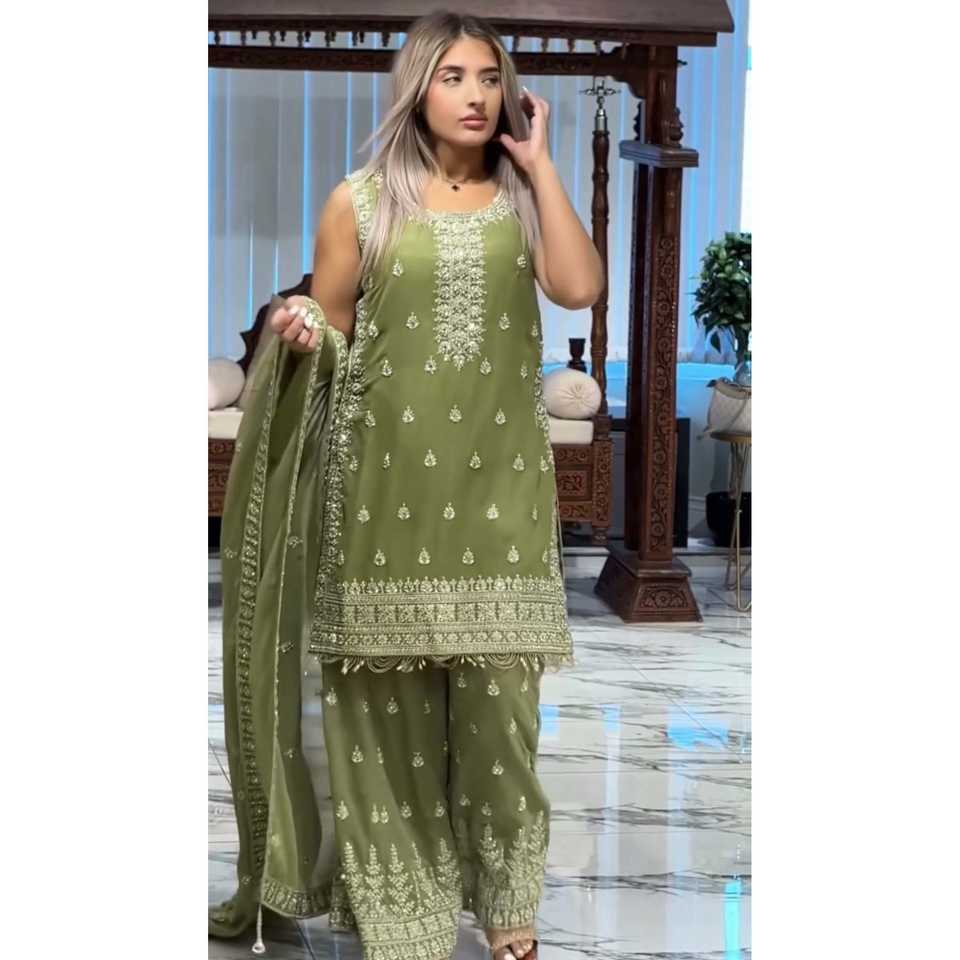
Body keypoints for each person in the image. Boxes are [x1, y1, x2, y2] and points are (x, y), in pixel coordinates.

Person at [209, 11, 604, 960]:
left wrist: (542, 165)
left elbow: (578, 287)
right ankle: (405, 913)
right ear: (417, 89)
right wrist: (302, 330)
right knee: (386, 724)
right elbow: (336, 327)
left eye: (490, 77)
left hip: (501, 499)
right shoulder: (361, 201)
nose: (476, 95)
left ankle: (507, 905)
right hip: (382, 496)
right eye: (453, 77)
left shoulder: (523, 198)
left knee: (501, 720)